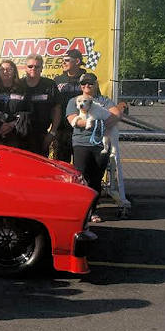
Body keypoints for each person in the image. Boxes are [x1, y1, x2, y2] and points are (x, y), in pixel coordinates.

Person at [66, 72, 122, 223]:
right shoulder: (75, 100)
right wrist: (95, 124)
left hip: (100, 144)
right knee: (81, 177)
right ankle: (79, 210)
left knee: (96, 179)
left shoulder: (104, 101)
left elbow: (116, 115)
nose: (87, 86)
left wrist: (100, 125)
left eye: (90, 83)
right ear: (80, 86)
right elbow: (72, 119)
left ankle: (93, 210)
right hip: (81, 143)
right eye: (83, 84)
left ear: (96, 84)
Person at [19, 54, 61, 157]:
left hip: (41, 136)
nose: (33, 69)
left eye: (37, 66)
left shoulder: (50, 85)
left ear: (42, 68)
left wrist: (52, 133)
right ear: (25, 68)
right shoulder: (18, 84)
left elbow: (57, 110)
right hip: (18, 135)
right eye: (30, 66)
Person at [54, 48, 89, 162]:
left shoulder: (87, 79)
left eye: (67, 60)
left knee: (82, 166)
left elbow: (95, 102)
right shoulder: (58, 80)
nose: (63, 63)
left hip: (81, 130)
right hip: (62, 130)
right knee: (61, 165)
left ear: (77, 61)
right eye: (62, 60)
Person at [0, 60, 30, 148]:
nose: (5, 72)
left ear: (14, 71)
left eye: (9, 69)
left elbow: (27, 111)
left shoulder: (22, 90)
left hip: (16, 134)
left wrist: (12, 125)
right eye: (2, 69)